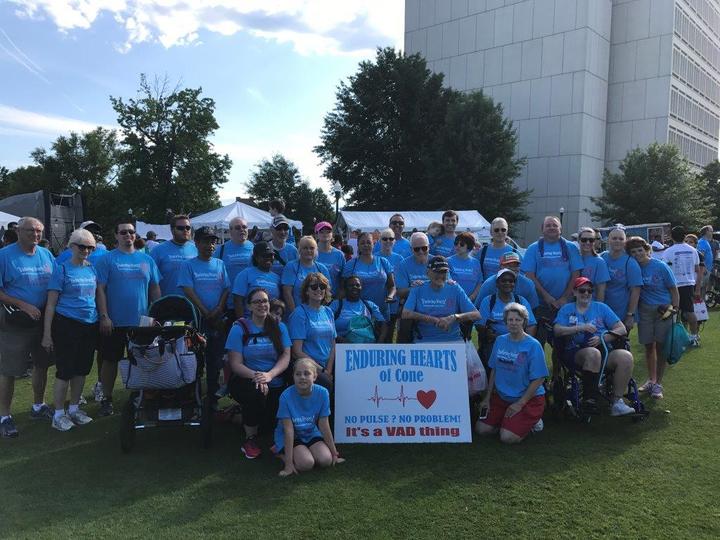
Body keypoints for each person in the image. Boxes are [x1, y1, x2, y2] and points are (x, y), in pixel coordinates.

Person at [95, 220, 161, 416]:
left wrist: (157, 313)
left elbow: (154, 288)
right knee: (109, 360)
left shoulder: (146, 259)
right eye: (123, 232)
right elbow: (100, 290)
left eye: (131, 232)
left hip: (142, 322)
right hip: (114, 321)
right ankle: (106, 398)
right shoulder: (107, 259)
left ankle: (144, 395)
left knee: (144, 360)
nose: (128, 235)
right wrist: (104, 316)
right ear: (116, 236)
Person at [0, 217, 56, 438]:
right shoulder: (4, 256)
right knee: (9, 370)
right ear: (19, 231)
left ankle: (38, 406)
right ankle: (5, 416)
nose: (36, 234)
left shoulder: (46, 254)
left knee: (42, 364)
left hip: (43, 320)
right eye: (31, 230)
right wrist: (22, 304)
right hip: (16, 322)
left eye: (39, 231)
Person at [41, 228, 98, 431]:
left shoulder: (92, 268)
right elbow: (51, 304)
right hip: (66, 324)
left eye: (90, 247)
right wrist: (47, 334)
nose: (86, 251)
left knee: (82, 369)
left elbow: (95, 297)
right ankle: (58, 414)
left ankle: (74, 409)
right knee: (65, 370)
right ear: (72, 246)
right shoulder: (62, 269)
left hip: (89, 324)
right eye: (82, 247)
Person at [553, 277, 637, 416]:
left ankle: (617, 403)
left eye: (589, 291)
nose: (586, 294)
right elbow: (557, 330)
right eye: (582, 290)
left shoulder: (601, 307)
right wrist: (580, 328)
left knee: (625, 357)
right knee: (593, 353)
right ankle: (590, 399)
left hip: (603, 348)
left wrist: (602, 338)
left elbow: (621, 328)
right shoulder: (567, 309)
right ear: (574, 292)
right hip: (577, 351)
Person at [226, 287, 291, 459]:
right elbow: (235, 364)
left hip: (273, 379)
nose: (262, 304)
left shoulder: (279, 326)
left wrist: (270, 375)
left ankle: (236, 415)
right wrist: (258, 376)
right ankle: (250, 439)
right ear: (249, 307)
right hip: (246, 379)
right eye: (257, 301)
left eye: (265, 301)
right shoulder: (239, 328)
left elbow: (286, 355)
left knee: (267, 426)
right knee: (256, 392)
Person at [475, 303, 548, 443]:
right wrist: (487, 398)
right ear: (505, 321)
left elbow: (539, 378)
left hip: (528, 399)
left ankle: (534, 422)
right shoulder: (500, 340)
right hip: (503, 397)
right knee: (481, 430)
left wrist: (520, 403)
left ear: (524, 322)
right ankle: (508, 422)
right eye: (510, 320)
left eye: (518, 320)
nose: (513, 323)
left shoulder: (533, 345)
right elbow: (494, 370)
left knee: (507, 438)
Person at [178, 226, 230, 405]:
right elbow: (188, 290)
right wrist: (205, 311)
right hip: (197, 320)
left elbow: (226, 288)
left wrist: (218, 308)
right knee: (195, 360)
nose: (210, 245)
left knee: (216, 359)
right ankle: (193, 394)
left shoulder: (219, 264)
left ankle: (213, 397)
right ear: (197, 242)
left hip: (216, 319)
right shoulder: (188, 265)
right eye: (206, 241)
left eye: (213, 241)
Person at [627, 236, 679, 400]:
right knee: (649, 347)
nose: (637, 254)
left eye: (640, 250)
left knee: (661, 348)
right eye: (633, 252)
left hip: (663, 310)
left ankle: (658, 383)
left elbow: (673, 290)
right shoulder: (633, 267)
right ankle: (651, 379)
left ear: (646, 250)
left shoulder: (660, 266)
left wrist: (674, 310)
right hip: (644, 311)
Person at [274, 358, 342, 477]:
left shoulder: (323, 393)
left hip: (310, 432)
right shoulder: (285, 396)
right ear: (293, 377)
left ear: (314, 377)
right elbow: (288, 431)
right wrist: (288, 465)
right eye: (298, 374)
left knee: (326, 460)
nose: (302, 377)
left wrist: (334, 453)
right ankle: (281, 454)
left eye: (307, 373)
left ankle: (307, 451)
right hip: (292, 435)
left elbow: (324, 425)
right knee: (306, 464)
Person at [520, 215, 583, 343]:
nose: (551, 227)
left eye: (555, 225)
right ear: (542, 229)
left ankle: (559, 363)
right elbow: (529, 275)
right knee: (538, 340)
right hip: (540, 304)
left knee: (564, 342)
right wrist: (546, 296)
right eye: (548, 225)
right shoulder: (533, 248)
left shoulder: (570, 247)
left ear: (560, 229)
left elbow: (576, 274)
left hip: (566, 304)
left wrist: (565, 297)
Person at [402, 256, 479, 343]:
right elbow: (406, 313)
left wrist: (454, 317)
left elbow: (476, 314)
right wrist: (433, 320)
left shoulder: (454, 288)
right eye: (437, 272)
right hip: (424, 339)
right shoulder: (418, 288)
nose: (441, 275)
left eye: (444, 272)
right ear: (428, 273)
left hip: (453, 339)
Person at [476, 268, 536, 364]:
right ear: (497, 283)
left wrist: (526, 343)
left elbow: (531, 325)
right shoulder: (488, 301)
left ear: (514, 284)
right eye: (503, 280)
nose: (507, 283)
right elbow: (480, 325)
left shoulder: (521, 301)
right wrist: (486, 332)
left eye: (511, 281)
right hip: (494, 341)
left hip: (518, 340)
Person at [288, 273, 336, 391]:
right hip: (307, 366)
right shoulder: (299, 314)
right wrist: (322, 370)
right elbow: (297, 351)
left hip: (327, 366)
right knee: (327, 385)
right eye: (314, 287)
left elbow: (333, 344)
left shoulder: (329, 311)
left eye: (322, 286)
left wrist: (328, 370)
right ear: (306, 291)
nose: (318, 289)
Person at [662, 226, 701, 347]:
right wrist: (697, 286)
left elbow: (664, 269)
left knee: (672, 311)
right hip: (689, 284)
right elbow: (697, 268)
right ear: (684, 236)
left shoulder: (668, 251)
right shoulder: (693, 250)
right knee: (689, 311)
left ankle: (674, 337)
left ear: (672, 237)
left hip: (673, 284)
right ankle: (694, 336)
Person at [341, 232, 396, 318]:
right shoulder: (351, 264)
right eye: (362, 243)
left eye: (368, 242)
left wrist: (390, 296)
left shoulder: (383, 262)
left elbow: (392, 286)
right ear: (358, 246)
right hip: (359, 313)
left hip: (382, 310)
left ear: (373, 244)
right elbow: (343, 289)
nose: (366, 245)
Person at [600, 226, 642, 332]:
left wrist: (630, 315)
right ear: (608, 240)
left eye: (621, 238)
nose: (617, 241)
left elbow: (635, 291)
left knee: (619, 347)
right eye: (614, 238)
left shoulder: (630, 262)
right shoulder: (601, 258)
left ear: (625, 241)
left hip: (621, 312)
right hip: (601, 310)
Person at [330, 276, 388, 343]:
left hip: (366, 347)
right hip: (340, 345)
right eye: (351, 285)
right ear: (345, 288)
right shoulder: (336, 305)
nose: (354, 287)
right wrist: (340, 340)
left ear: (361, 287)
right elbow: (327, 325)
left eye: (357, 285)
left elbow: (383, 324)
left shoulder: (369, 305)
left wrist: (380, 341)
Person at [281, 236, 331, 314]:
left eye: (311, 248)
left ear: (316, 250)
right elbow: (287, 293)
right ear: (300, 250)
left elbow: (327, 293)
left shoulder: (322, 268)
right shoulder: (291, 266)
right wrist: (295, 313)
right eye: (305, 248)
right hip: (297, 312)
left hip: (316, 313)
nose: (308, 251)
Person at [150, 214, 197, 296]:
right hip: (168, 303)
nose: (185, 230)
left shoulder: (196, 249)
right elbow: (150, 280)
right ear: (172, 230)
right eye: (180, 228)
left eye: (188, 227)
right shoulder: (158, 250)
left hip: (192, 304)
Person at [232, 242, 281, 319]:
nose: (268, 258)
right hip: (250, 322)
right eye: (264, 256)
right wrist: (242, 323)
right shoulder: (245, 274)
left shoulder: (277, 278)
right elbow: (237, 300)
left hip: (271, 323)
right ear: (256, 257)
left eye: (271, 255)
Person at [214, 217, 254, 303]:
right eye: (237, 228)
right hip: (228, 301)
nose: (242, 230)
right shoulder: (221, 250)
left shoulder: (255, 248)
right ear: (230, 231)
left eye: (244, 227)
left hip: (251, 302)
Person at [376, 227, 404, 342]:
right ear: (379, 241)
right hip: (376, 303)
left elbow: (402, 281)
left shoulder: (399, 259)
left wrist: (401, 302)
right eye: (384, 239)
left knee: (390, 337)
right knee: (376, 335)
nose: (388, 241)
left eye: (391, 239)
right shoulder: (375, 257)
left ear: (394, 241)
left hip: (394, 304)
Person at [448, 232, 483, 303]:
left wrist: (471, 298)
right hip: (453, 302)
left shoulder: (476, 262)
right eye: (456, 243)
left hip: (471, 302)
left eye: (462, 244)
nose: (458, 246)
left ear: (469, 246)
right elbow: (447, 283)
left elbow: (479, 283)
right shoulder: (448, 261)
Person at [577, 227, 610, 302]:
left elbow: (601, 290)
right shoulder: (574, 258)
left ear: (594, 242)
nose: (587, 242)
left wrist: (597, 310)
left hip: (590, 305)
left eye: (591, 240)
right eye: (584, 240)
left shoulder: (599, 262)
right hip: (573, 305)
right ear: (578, 240)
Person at [315, 221, 345, 297]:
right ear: (316, 235)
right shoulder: (311, 253)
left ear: (332, 235)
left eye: (328, 232)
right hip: (314, 297)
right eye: (321, 232)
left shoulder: (339, 254)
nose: (325, 234)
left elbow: (343, 277)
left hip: (333, 298)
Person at [697, 225, 714, 295]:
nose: (712, 233)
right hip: (704, 269)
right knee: (701, 288)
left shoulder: (705, 241)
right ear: (706, 232)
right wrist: (703, 269)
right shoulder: (702, 242)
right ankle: (700, 303)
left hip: (707, 269)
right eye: (711, 231)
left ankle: (703, 303)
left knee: (704, 288)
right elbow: (701, 257)